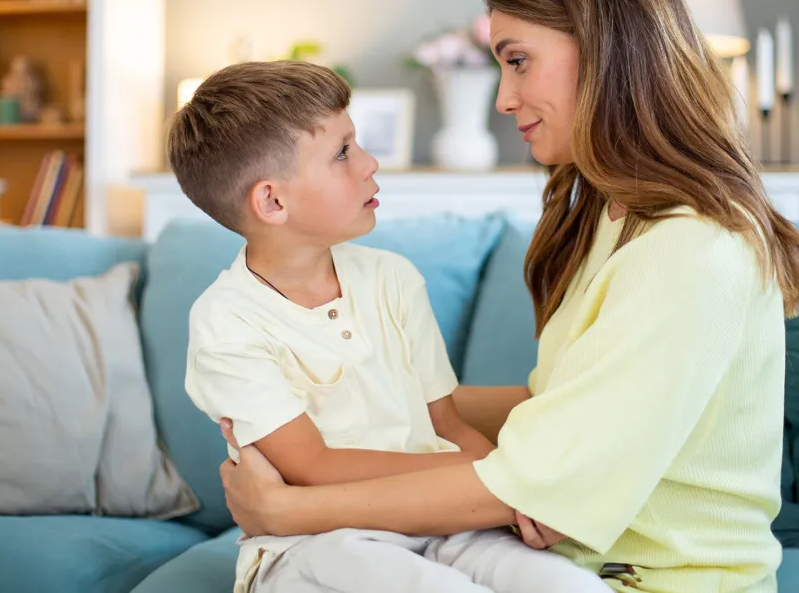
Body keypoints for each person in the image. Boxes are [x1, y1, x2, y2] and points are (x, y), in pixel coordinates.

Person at [215, 0, 799, 592]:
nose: (503, 98)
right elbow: (571, 408)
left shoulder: (691, 250)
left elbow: (527, 480)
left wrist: (283, 511)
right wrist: (313, 407)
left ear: (607, 52)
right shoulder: (615, 215)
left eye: (517, 60)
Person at [167, 60, 613, 593]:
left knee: (570, 587)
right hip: (315, 541)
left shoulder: (392, 280)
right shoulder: (227, 321)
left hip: (439, 523)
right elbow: (312, 466)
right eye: (342, 153)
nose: (370, 163)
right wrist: (477, 484)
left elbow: (445, 426)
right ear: (272, 200)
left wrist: (516, 495)